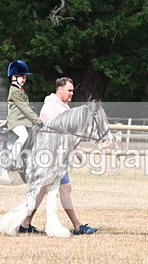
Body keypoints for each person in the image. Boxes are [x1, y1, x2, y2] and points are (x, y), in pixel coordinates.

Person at [19, 77, 98, 235]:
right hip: (52, 158)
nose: (72, 93)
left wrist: (77, 150)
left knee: (43, 190)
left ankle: (25, 223)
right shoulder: (51, 107)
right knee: (65, 188)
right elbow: (54, 133)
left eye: (73, 91)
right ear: (60, 89)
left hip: (58, 157)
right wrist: (76, 150)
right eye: (69, 90)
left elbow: (70, 135)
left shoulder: (64, 107)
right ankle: (77, 226)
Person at [6, 60, 42, 171]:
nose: (24, 79)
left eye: (25, 77)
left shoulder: (20, 90)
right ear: (13, 77)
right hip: (16, 121)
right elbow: (25, 109)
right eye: (22, 77)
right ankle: (12, 161)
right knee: (23, 136)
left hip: (24, 121)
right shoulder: (14, 91)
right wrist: (38, 121)